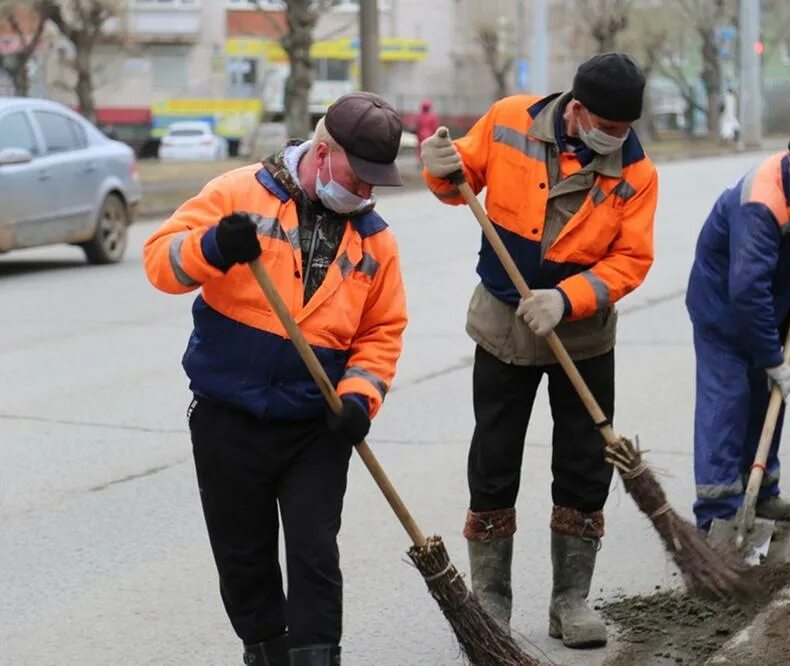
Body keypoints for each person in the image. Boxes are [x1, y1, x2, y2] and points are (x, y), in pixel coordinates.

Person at [142, 92, 408, 666]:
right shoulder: (238, 193)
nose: (363, 192)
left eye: (373, 184)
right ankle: (264, 654)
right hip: (226, 416)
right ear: (323, 150)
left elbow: (382, 331)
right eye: (357, 177)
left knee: (315, 553)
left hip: (315, 425)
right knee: (244, 557)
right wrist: (213, 246)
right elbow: (160, 262)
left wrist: (360, 398)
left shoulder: (375, 240)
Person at [420, 52, 658, 649]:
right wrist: (438, 167)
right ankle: (491, 599)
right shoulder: (508, 120)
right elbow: (459, 183)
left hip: (582, 335)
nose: (616, 138)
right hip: (503, 324)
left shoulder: (636, 172)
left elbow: (631, 260)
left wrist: (568, 298)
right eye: (607, 126)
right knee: (495, 457)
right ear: (576, 110)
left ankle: (570, 600)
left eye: (625, 130)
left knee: (583, 460)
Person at [685, 118, 790, 534]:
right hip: (723, 310)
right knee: (728, 399)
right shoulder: (761, 201)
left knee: (767, 397)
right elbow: (746, 290)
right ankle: (719, 510)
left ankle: (761, 492)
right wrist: (772, 357)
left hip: (765, 307)